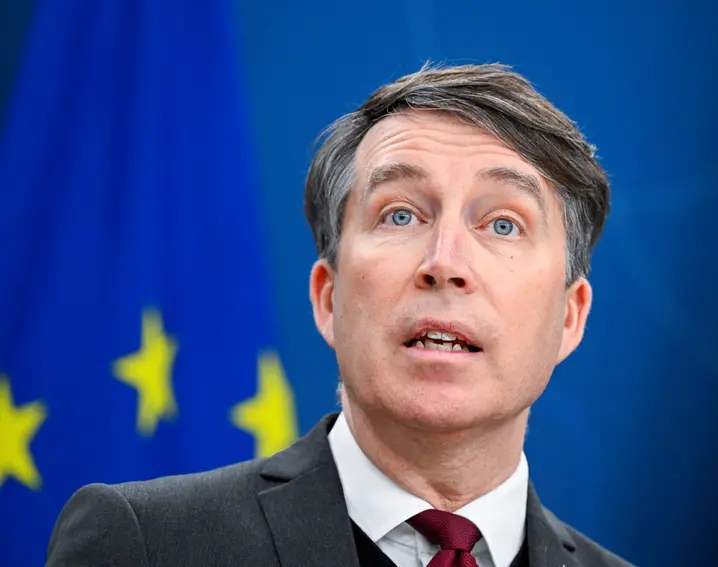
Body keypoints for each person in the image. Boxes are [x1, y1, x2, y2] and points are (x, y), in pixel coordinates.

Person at [45, 63, 635, 567]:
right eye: (401, 215)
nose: (445, 262)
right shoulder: (145, 544)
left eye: (503, 224)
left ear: (570, 316)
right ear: (328, 297)